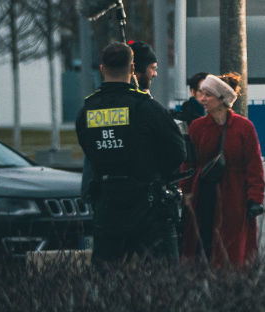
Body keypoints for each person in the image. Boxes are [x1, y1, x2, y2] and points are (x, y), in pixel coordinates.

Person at [79, 41, 188, 262]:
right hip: (148, 207)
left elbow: (90, 152)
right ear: (132, 69)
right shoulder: (147, 108)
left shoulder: (87, 111)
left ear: (102, 69)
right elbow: (178, 152)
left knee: (107, 279)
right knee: (165, 281)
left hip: (107, 208)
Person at [181, 73, 265, 267]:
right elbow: (188, 165)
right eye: (201, 93)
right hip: (203, 195)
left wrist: (255, 199)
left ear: (222, 99)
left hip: (235, 197)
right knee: (203, 247)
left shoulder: (244, 127)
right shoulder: (197, 127)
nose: (202, 99)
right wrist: (184, 192)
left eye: (208, 95)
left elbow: (254, 166)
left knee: (231, 251)